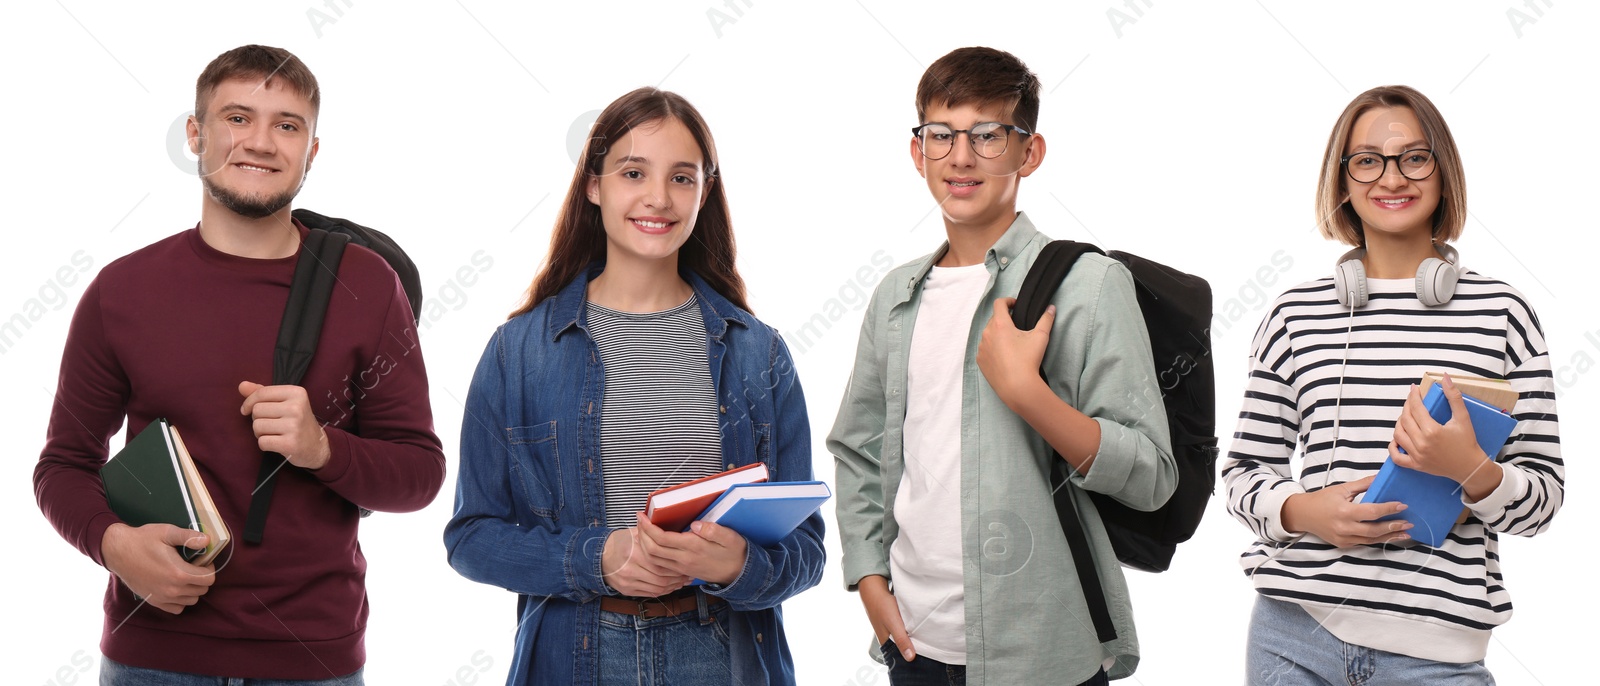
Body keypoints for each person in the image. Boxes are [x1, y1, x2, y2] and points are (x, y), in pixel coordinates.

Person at [33, 45, 445, 684]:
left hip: (314, 660)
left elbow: (419, 474)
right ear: (195, 134)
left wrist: (320, 448)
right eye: (236, 118)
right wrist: (113, 544)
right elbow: (62, 465)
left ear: (311, 150)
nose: (261, 142)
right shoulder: (122, 291)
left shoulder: (367, 283)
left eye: (287, 125)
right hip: (152, 657)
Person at [443, 87, 824, 686]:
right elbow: (471, 538)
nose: (657, 197)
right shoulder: (518, 351)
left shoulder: (758, 351)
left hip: (721, 656)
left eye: (681, 177)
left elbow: (807, 551)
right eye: (633, 172)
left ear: (705, 191)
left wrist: (740, 566)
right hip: (574, 657)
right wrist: (597, 559)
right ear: (594, 185)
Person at [828, 46, 1176, 685]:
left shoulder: (1090, 286)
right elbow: (858, 450)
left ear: (1029, 152)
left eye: (988, 135)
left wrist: (1027, 393)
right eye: (942, 135)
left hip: (1044, 648)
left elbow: (1152, 475)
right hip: (913, 646)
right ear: (918, 152)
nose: (962, 157)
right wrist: (869, 578)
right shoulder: (895, 296)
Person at [1222, 85, 1564, 683]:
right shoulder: (1294, 314)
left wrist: (1471, 470)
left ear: (1441, 170)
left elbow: (1543, 501)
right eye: (1367, 159)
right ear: (1345, 179)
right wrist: (1304, 511)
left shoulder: (1502, 312)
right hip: (1293, 632)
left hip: (1437, 654)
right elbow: (1241, 475)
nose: (1391, 177)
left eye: (1413, 156)